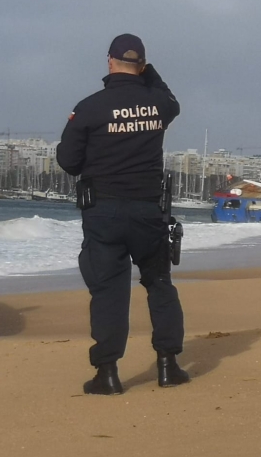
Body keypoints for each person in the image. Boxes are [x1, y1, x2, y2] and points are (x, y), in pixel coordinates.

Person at [56, 33, 189, 395]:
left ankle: (108, 373)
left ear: (109, 61)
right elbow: (170, 99)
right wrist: (147, 73)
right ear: (142, 66)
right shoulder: (158, 104)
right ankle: (168, 365)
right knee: (159, 284)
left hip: (105, 212)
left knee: (109, 291)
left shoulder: (90, 108)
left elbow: (68, 162)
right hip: (149, 211)